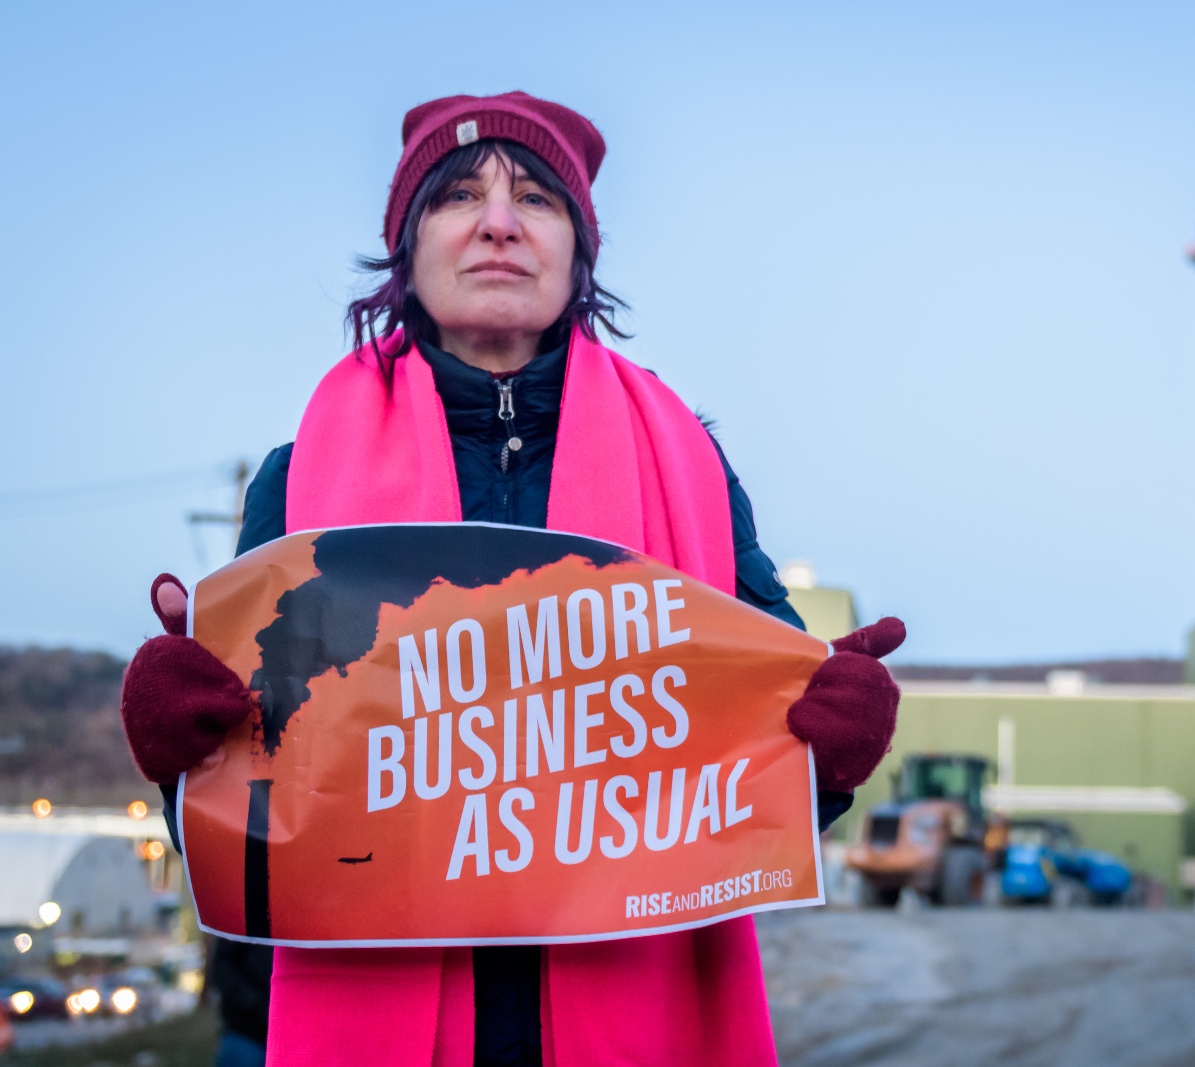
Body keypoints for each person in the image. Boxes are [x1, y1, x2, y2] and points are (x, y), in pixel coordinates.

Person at [119, 91, 903, 1067]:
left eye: (535, 196)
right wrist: (182, 753)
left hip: (633, 1009)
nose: (498, 220)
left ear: (579, 252)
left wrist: (825, 749)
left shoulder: (689, 466)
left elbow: (753, 779)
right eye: (457, 195)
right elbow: (259, 817)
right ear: (407, 250)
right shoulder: (297, 480)